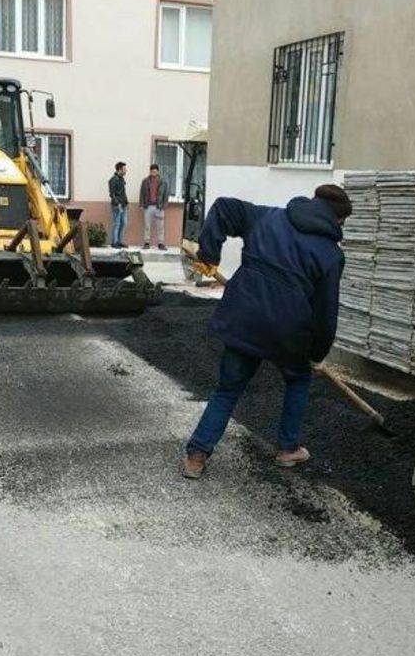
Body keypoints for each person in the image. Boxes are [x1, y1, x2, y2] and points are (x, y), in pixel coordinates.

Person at [182, 184, 353, 479]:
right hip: (287, 332)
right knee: (298, 378)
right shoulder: (330, 254)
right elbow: (326, 311)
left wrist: (209, 254)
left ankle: (196, 456)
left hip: (244, 318)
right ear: (338, 220)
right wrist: (317, 352)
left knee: (227, 390)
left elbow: (223, 207)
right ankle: (287, 449)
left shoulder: (269, 217)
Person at [139, 163, 169, 250]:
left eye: (155, 171)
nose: (154, 173)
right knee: (147, 225)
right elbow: (142, 193)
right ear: (150, 171)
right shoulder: (145, 181)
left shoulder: (163, 181)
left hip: (159, 207)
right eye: (152, 171)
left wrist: (164, 205)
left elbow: (166, 194)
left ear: (158, 171)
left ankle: (160, 243)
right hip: (148, 206)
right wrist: (141, 204)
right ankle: (146, 243)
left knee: (160, 226)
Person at [108, 161, 129, 248]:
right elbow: (112, 194)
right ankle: (114, 242)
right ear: (119, 169)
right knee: (117, 223)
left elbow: (123, 193)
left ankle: (119, 241)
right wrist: (118, 204)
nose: (126, 171)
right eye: (124, 169)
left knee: (123, 223)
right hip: (117, 205)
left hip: (123, 205)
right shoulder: (113, 180)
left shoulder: (121, 179)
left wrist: (127, 203)